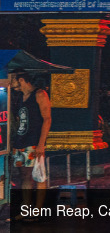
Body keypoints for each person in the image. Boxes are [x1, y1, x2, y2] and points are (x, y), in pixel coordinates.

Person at [10, 70, 52, 220]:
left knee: (38, 175)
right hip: (21, 141)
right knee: (24, 175)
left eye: (12, 79)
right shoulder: (21, 97)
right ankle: (26, 209)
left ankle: (38, 210)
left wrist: (41, 144)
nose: (10, 82)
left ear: (21, 80)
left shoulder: (39, 94)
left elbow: (47, 119)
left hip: (34, 142)